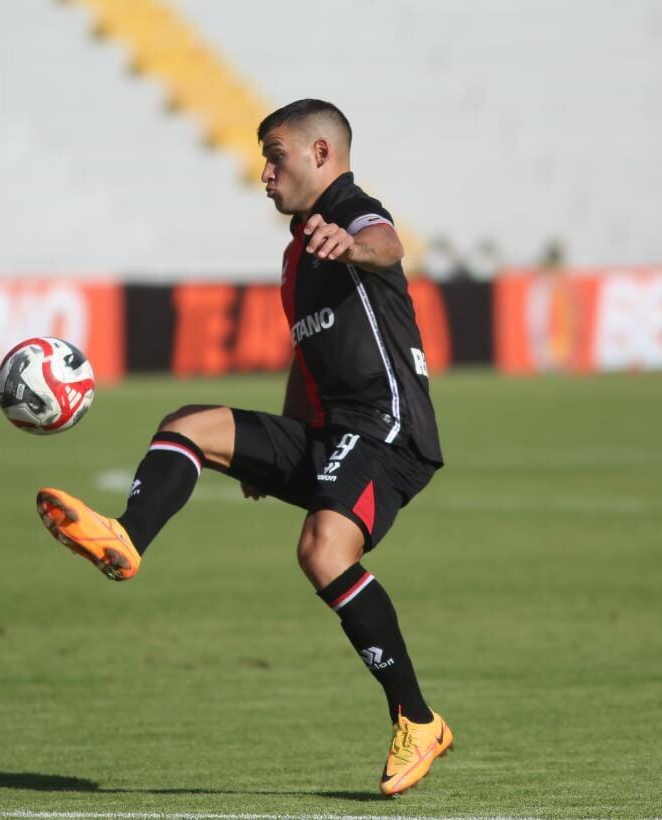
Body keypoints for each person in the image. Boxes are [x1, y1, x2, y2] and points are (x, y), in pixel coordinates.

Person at [36, 99, 451, 797]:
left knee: (322, 550)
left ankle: (418, 719)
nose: (263, 172)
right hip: (329, 428)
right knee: (187, 424)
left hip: (387, 426)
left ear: (321, 154)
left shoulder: (351, 210)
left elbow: (387, 242)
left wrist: (353, 243)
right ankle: (127, 538)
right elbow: (307, 356)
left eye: (275, 155)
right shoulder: (297, 253)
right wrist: (277, 451)